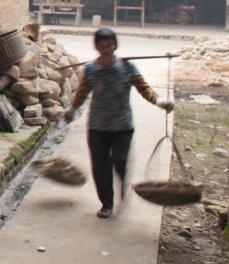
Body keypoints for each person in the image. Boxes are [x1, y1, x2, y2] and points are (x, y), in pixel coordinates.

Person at [62, 28, 174, 219]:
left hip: (122, 125)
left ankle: (122, 182)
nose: (106, 49)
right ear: (96, 47)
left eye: (110, 46)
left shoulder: (127, 68)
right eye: (102, 46)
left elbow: (144, 88)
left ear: (115, 46)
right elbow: (82, 92)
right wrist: (72, 109)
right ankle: (106, 204)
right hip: (97, 126)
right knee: (100, 167)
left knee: (120, 161)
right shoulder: (91, 70)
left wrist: (159, 101)